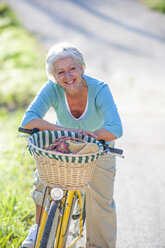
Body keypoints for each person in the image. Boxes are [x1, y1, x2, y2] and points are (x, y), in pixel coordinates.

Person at [21, 42, 123, 248]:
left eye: (72, 69)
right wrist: (70, 134)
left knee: (100, 202)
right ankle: (38, 230)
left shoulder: (99, 89)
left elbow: (115, 128)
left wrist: (90, 136)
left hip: (98, 149)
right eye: (60, 72)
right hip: (64, 146)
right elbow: (29, 120)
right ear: (55, 76)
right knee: (43, 180)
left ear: (82, 68)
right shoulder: (52, 88)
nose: (67, 76)